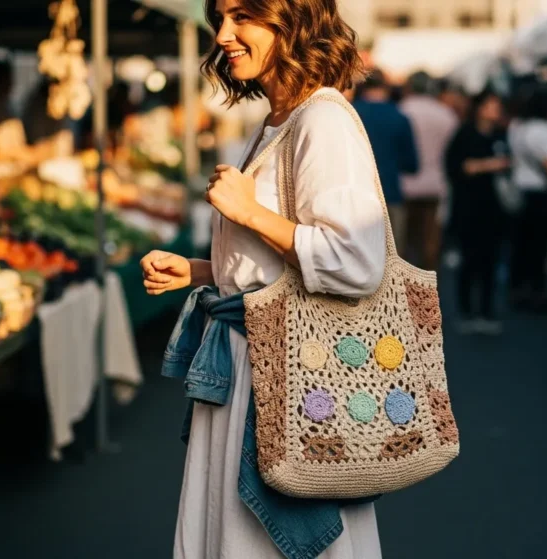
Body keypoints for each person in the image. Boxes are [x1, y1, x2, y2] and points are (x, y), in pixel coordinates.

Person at [140, 0, 383, 556]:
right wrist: (203, 272)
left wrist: (249, 213)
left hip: (286, 372)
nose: (223, 34)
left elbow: (355, 261)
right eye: (219, 18)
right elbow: (279, 265)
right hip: (253, 363)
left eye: (241, 16)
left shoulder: (323, 121)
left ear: (292, 18)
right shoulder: (279, 121)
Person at [445, 89, 511, 335]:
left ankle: (486, 310)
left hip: (495, 208)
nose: (496, 110)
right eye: (492, 105)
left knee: (490, 262)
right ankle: (466, 311)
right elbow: (457, 167)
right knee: (470, 261)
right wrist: (490, 165)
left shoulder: (500, 135)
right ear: (480, 108)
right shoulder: (465, 134)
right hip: (469, 208)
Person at [508, 84, 547, 310]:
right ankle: (536, 290)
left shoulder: (518, 127)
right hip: (540, 193)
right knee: (539, 245)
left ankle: (517, 288)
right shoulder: (546, 130)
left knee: (520, 244)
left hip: (519, 190)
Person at [352, 68, 419, 252]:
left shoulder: (351, 112)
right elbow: (412, 164)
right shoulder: (400, 117)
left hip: (357, 199)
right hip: (391, 194)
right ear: (386, 88)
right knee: (393, 257)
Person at [399, 71, 459, 270]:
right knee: (431, 242)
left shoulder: (402, 110)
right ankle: (430, 284)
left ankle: (406, 285)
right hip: (436, 183)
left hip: (405, 184)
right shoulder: (446, 114)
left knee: (405, 241)